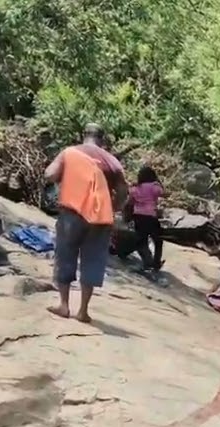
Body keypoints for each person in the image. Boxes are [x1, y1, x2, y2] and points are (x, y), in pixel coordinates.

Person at [43, 123, 127, 323]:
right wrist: (112, 207)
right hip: (99, 217)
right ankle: (83, 311)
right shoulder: (112, 161)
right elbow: (123, 192)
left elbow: (50, 174)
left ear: (84, 136)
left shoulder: (70, 153)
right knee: (93, 259)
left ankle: (64, 305)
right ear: (102, 139)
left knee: (65, 254)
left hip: (71, 213)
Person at [127, 165, 165, 272]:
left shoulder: (135, 188)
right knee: (158, 240)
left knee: (141, 241)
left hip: (138, 216)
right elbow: (163, 193)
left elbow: (130, 202)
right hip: (151, 216)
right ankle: (156, 263)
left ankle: (147, 261)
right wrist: (159, 182)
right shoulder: (154, 187)